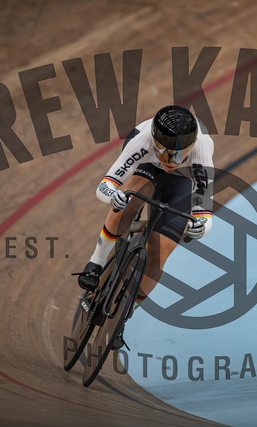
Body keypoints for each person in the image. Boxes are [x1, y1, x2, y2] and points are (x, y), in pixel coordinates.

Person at [77, 105, 214, 346]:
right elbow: (105, 186)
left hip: (182, 181)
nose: (172, 162)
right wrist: (115, 196)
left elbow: (203, 208)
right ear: (155, 142)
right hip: (146, 167)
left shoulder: (202, 147)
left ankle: (124, 314)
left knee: (159, 254)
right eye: (167, 154)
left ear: (192, 147)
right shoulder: (142, 142)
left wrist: (202, 225)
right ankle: (96, 262)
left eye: (180, 155)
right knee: (129, 203)